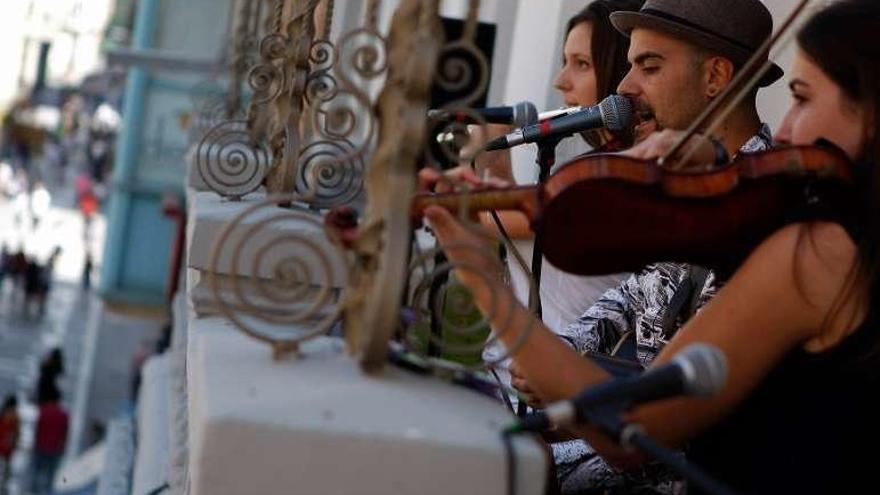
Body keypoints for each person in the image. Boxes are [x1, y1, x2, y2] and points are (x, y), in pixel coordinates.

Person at [423, 0, 880, 492]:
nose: (788, 128)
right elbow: (631, 301)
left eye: (802, 97)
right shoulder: (733, 200)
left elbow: (642, 428)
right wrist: (555, 367)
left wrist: (473, 268)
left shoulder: (809, 241)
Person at [32, 384, 68, 495]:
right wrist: (62, 448)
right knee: (50, 475)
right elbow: (65, 434)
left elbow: (38, 430)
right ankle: (47, 492)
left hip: (41, 447)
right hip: (55, 449)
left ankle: (35, 492)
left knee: (37, 473)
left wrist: (35, 444)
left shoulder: (43, 411)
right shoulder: (63, 415)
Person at [0, 395, 19, 494]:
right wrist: (15, 445)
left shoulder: (2, 413)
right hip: (8, 448)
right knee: (6, 471)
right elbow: (16, 433)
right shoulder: (14, 417)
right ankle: (3, 488)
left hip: (2, 446)